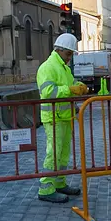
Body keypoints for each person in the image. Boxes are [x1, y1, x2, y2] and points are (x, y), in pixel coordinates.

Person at [37, 33, 89, 203]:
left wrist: (78, 87)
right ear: (59, 50)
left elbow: (69, 86)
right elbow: (48, 92)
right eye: (68, 54)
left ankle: (59, 183)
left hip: (65, 117)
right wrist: (70, 89)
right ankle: (46, 189)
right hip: (53, 118)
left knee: (63, 154)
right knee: (53, 153)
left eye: (71, 54)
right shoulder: (48, 67)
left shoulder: (64, 68)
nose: (70, 58)